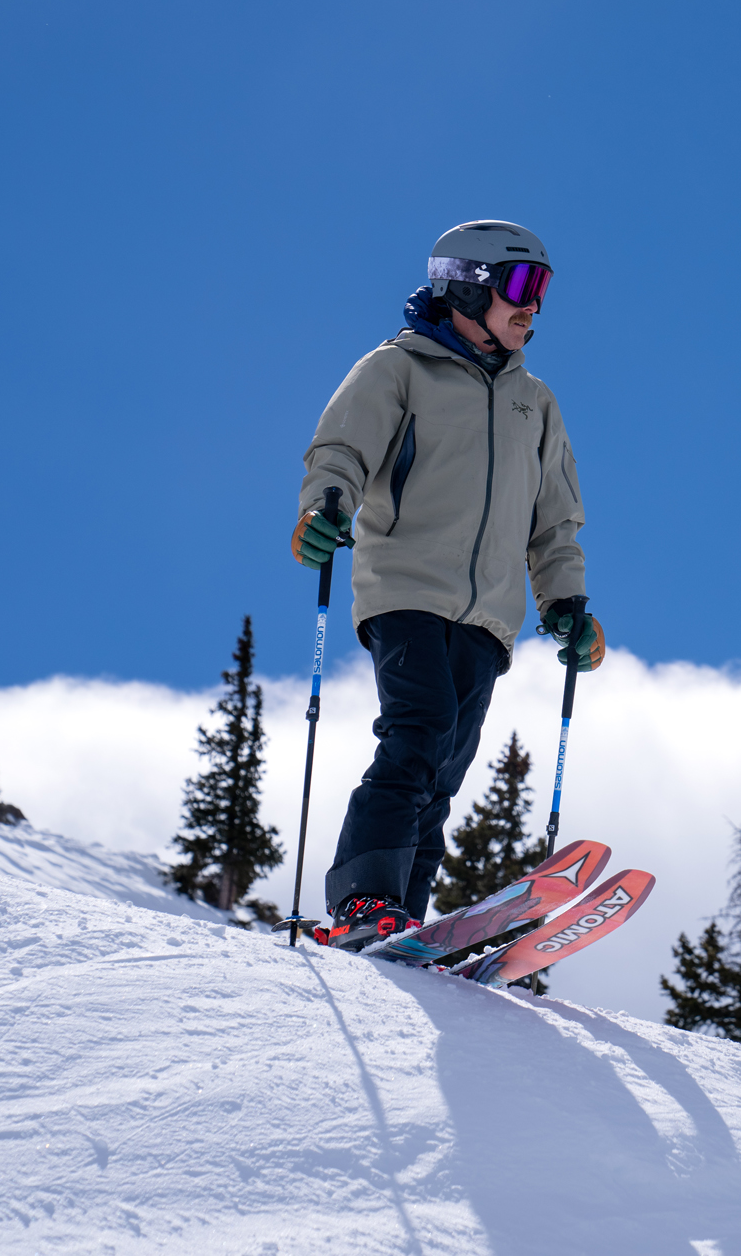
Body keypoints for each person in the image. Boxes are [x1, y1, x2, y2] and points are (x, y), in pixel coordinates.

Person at [291, 220, 605, 951]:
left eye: (545, 290)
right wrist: (323, 505)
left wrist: (564, 601)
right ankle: (366, 898)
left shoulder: (536, 402)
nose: (534, 307)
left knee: (444, 768)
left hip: (489, 616)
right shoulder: (399, 369)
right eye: (523, 287)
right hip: (405, 586)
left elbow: (555, 519)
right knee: (418, 732)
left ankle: (405, 917)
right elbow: (341, 448)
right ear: (467, 282)